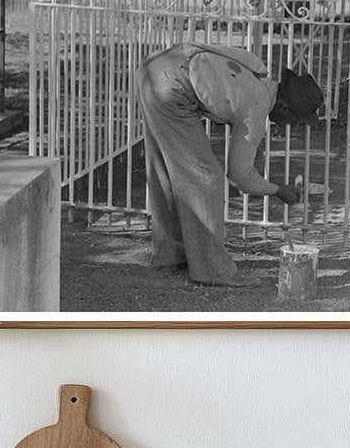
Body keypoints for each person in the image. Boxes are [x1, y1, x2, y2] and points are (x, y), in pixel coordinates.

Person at [135, 42, 324, 289]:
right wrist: (277, 190)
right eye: (295, 121)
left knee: (165, 167)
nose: (290, 125)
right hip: (173, 87)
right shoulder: (256, 111)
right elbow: (239, 175)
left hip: (155, 68)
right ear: (285, 108)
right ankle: (213, 269)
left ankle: (170, 254)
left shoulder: (256, 68)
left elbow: (206, 49)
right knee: (206, 177)